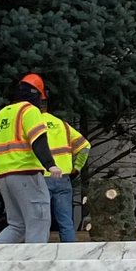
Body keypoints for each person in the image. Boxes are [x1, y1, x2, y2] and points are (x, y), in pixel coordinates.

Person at [0, 72, 62, 244]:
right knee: (38, 220)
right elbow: (38, 139)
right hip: (25, 173)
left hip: (4, 176)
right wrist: (50, 165)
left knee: (17, 226)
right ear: (36, 95)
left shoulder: (0, 115)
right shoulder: (29, 111)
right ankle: (35, 266)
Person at [41, 97, 90, 243]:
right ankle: (70, 254)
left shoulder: (33, 125)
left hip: (41, 177)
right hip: (63, 178)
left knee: (40, 221)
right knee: (66, 221)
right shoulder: (62, 125)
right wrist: (76, 168)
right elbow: (85, 146)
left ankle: (39, 253)